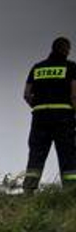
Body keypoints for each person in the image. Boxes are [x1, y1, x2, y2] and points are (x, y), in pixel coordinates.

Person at [23, 37, 76, 192]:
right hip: (63, 116)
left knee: (36, 153)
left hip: (40, 117)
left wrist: (38, 106)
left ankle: (29, 189)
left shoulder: (37, 68)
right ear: (65, 50)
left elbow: (26, 94)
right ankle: (71, 191)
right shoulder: (71, 67)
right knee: (67, 154)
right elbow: (74, 95)